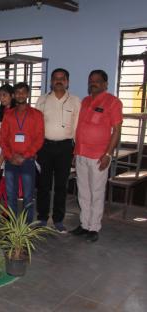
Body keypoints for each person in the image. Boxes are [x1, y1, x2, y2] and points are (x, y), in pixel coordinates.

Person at [71, 70, 123, 242]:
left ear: (105, 84)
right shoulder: (85, 101)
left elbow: (116, 130)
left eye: (98, 81)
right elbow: (80, 129)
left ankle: (94, 228)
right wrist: (75, 152)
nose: (93, 83)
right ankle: (84, 224)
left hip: (99, 156)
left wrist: (108, 154)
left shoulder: (113, 102)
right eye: (91, 81)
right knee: (83, 192)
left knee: (97, 192)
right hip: (81, 154)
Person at [35, 68, 81, 233]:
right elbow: (37, 126)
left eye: (62, 78)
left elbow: (77, 128)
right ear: (51, 81)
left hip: (65, 147)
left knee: (61, 185)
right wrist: (36, 148)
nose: (59, 81)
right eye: (55, 78)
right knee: (43, 185)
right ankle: (41, 217)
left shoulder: (75, 101)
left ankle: (59, 220)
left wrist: (76, 150)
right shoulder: (42, 100)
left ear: (67, 81)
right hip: (45, 147)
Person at [0, 82, 44, 222]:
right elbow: (3, 138)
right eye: (17, 92)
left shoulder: (36, 114)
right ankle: (12, 226)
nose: (20, 95)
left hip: (27, 161)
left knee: (28, 196)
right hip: (11, 161)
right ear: (13, 95)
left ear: (28, 94)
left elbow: (39, 138)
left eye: (23, 92)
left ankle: (26, 228)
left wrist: (24, 156)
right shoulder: (8, 115)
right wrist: (9, 155)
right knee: (11, 195)